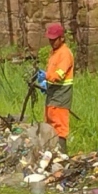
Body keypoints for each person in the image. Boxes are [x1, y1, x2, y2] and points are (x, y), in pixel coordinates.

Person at [37, 23, 74, 153]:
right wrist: (45, 84)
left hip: (62, 94)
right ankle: (51, 151)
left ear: (61, 38)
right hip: (53, 92)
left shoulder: (65, 53)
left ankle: (62, 153)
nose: (51, 42)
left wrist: (46, 76)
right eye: (50, 39)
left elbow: (59, 74)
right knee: (49, 121)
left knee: (59, 125)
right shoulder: (54, 52)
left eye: (54, 39)